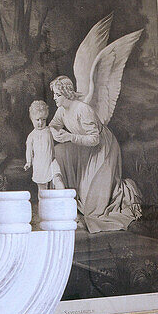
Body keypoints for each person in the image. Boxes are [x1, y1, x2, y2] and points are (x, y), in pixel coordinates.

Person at [49, 75, 140, 233]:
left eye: (57, 94)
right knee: (59, 153)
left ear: (66, 93)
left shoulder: (82, 109)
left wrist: (69, 137)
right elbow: (53, 125)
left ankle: (125, 192)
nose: (54, 98)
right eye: (54, 94)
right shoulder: (61, 110)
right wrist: (56, 133)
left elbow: (94, 139)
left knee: (93, 207)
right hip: (85, 148)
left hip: (104, 148)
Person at [24, 100, 63, 189]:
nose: (40, 123)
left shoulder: (49, 130)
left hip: (51, 161)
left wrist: (62, 135)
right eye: (37, 120)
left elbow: (58, 135)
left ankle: (62, 198)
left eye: (43, 119)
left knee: (58, 179)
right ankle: (43, 201)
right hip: (39, 164)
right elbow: (29, 149)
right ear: (32, 119)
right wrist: (28, 162)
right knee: (42, 188)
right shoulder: (31, 136)